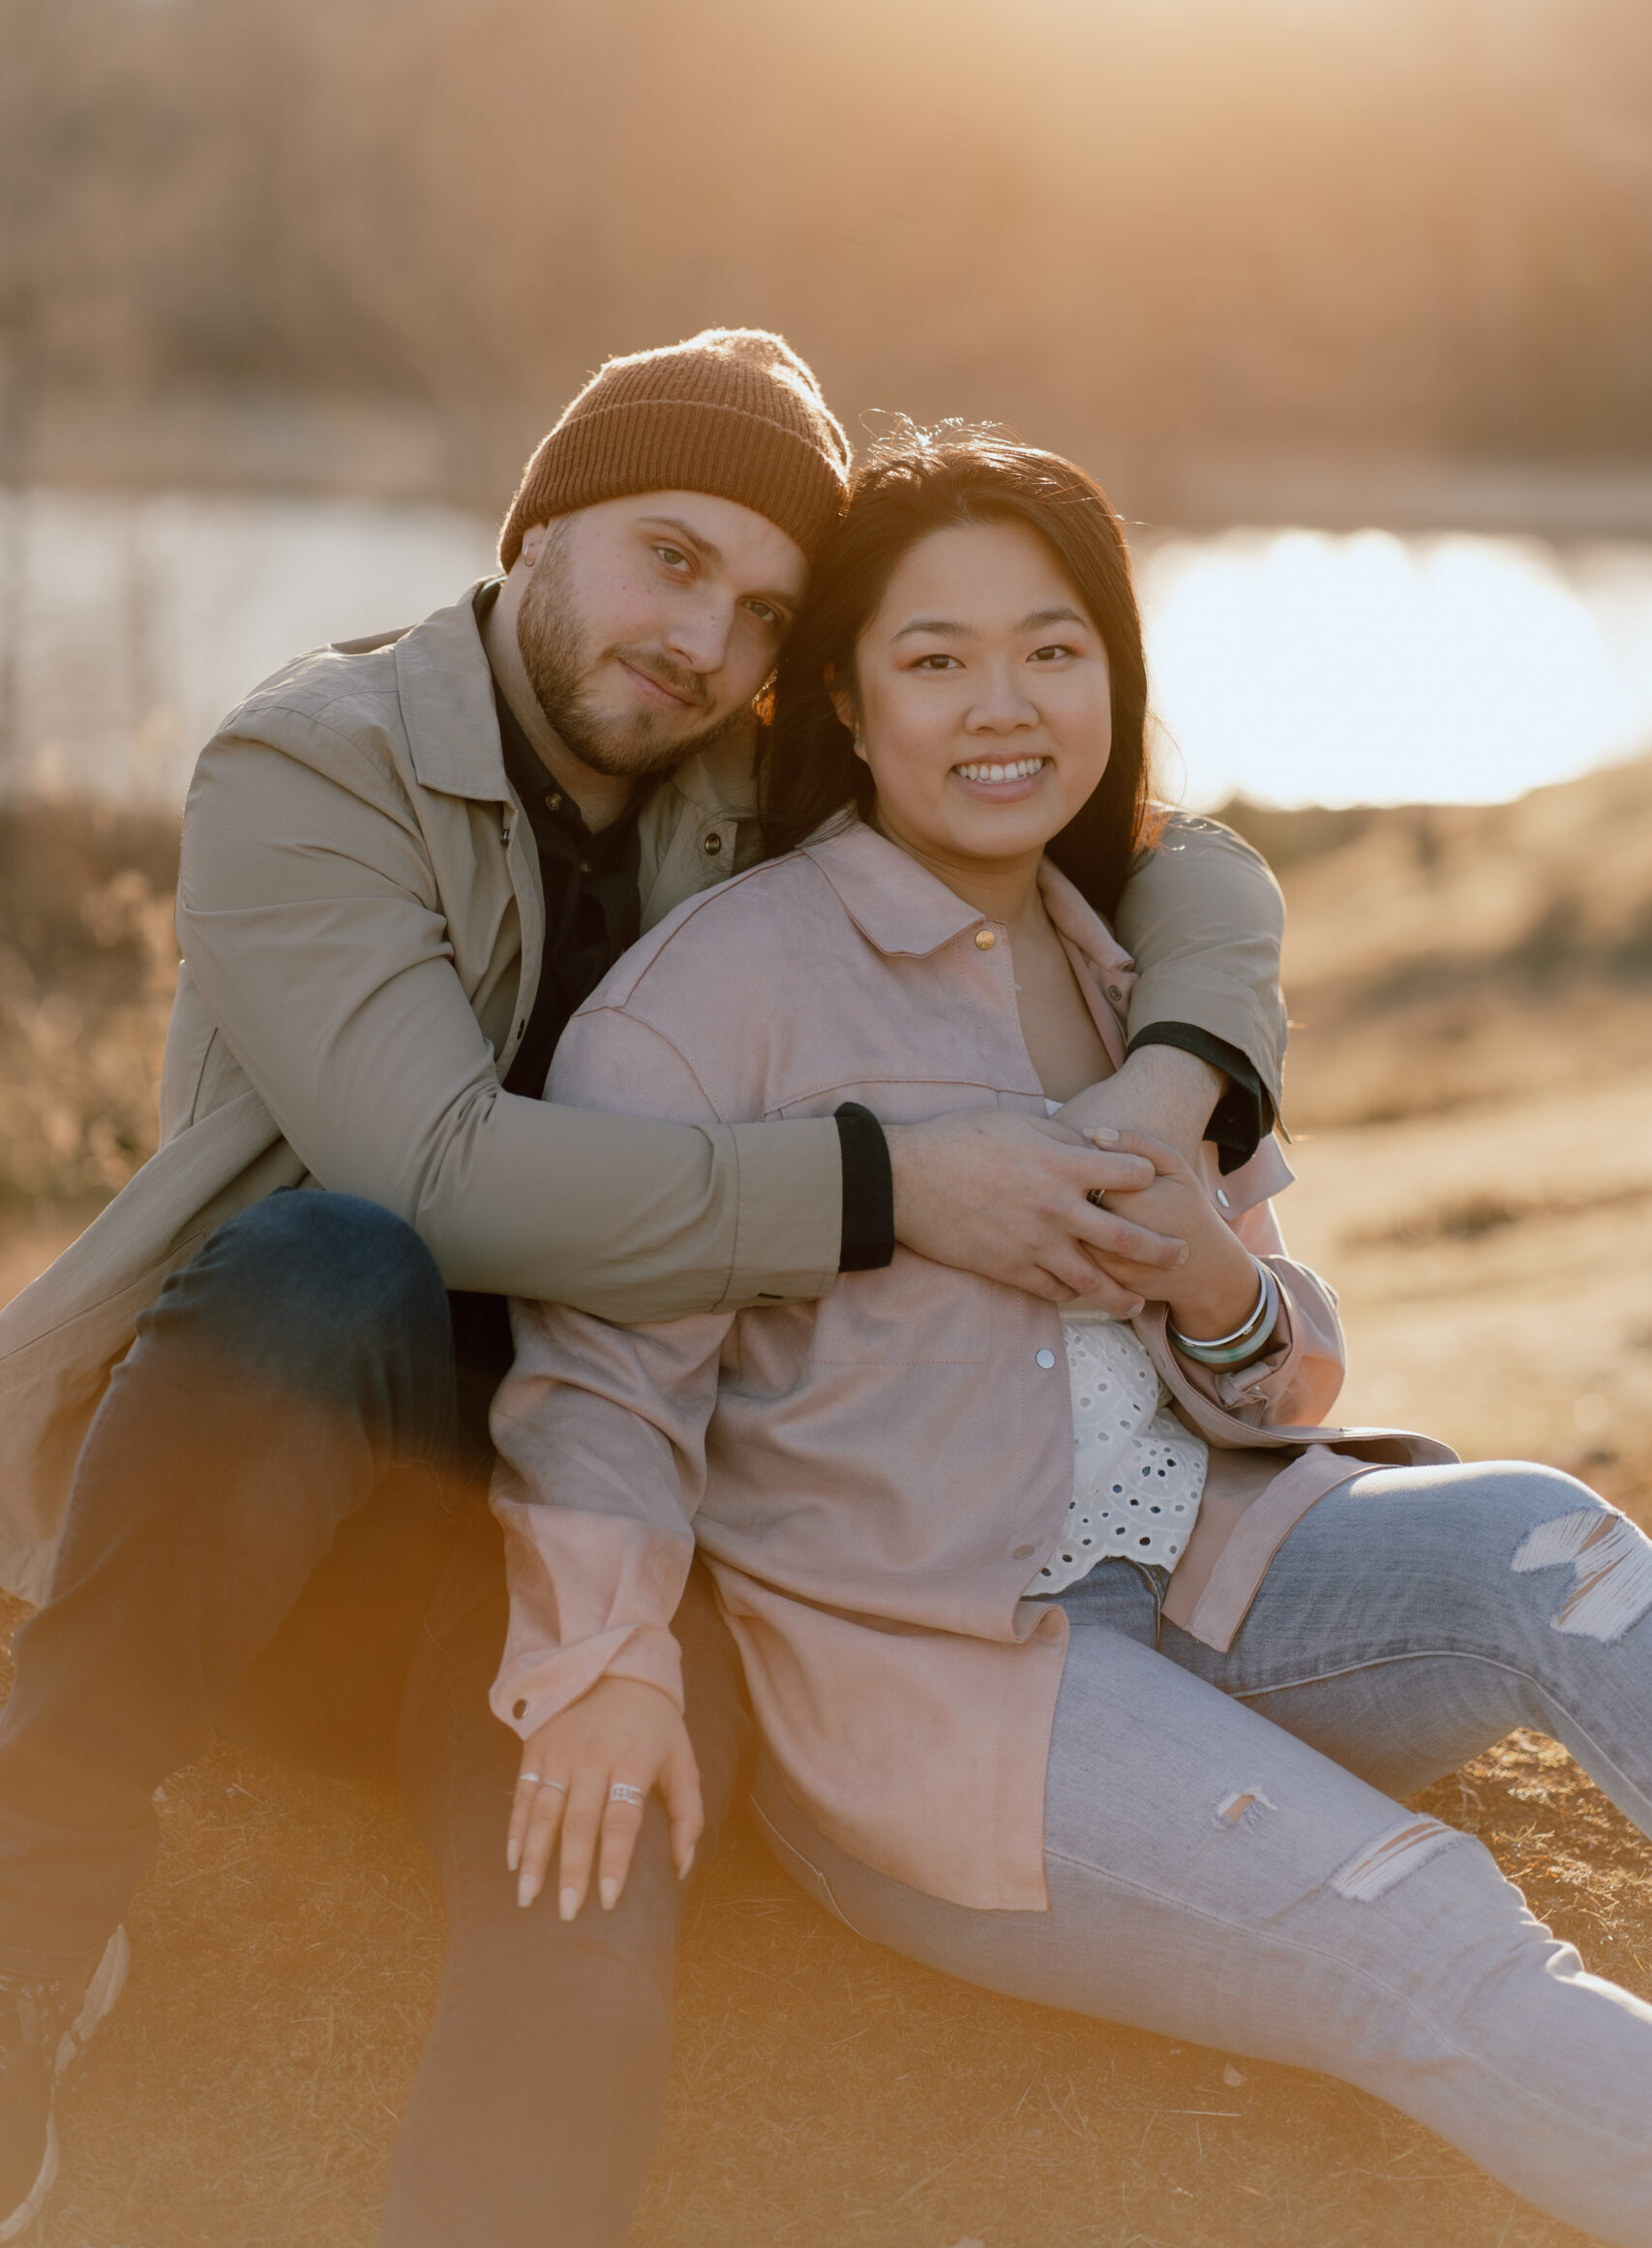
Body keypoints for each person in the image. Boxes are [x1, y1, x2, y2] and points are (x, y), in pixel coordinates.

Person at [0, 337, 1291, 2245]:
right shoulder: (308, 763)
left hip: (581, 1510)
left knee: (582, 1921)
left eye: (764, 604)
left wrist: (1162, 1086)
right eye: (667, 558)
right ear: (541, 529)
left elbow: (1184, 867)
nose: (703, 638)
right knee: (325, 1260)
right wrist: (883, 1183)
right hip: (272, 1485)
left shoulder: (742, 770)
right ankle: (43, 1903)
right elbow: (432, 1176)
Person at [498, 423, 1652, 2248]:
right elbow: (597, 1397)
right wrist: (599, 1664)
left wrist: (1216, 1282)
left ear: (1113, 676)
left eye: (1052, 648)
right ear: (848, 709)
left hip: (1232, 1580)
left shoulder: (1133, 966)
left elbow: (1285, 1372)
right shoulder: (705, 1004)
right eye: (934, 659)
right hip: (954, 1691)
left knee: (1575, 1557)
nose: (1000, 704)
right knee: (1420, 1926)